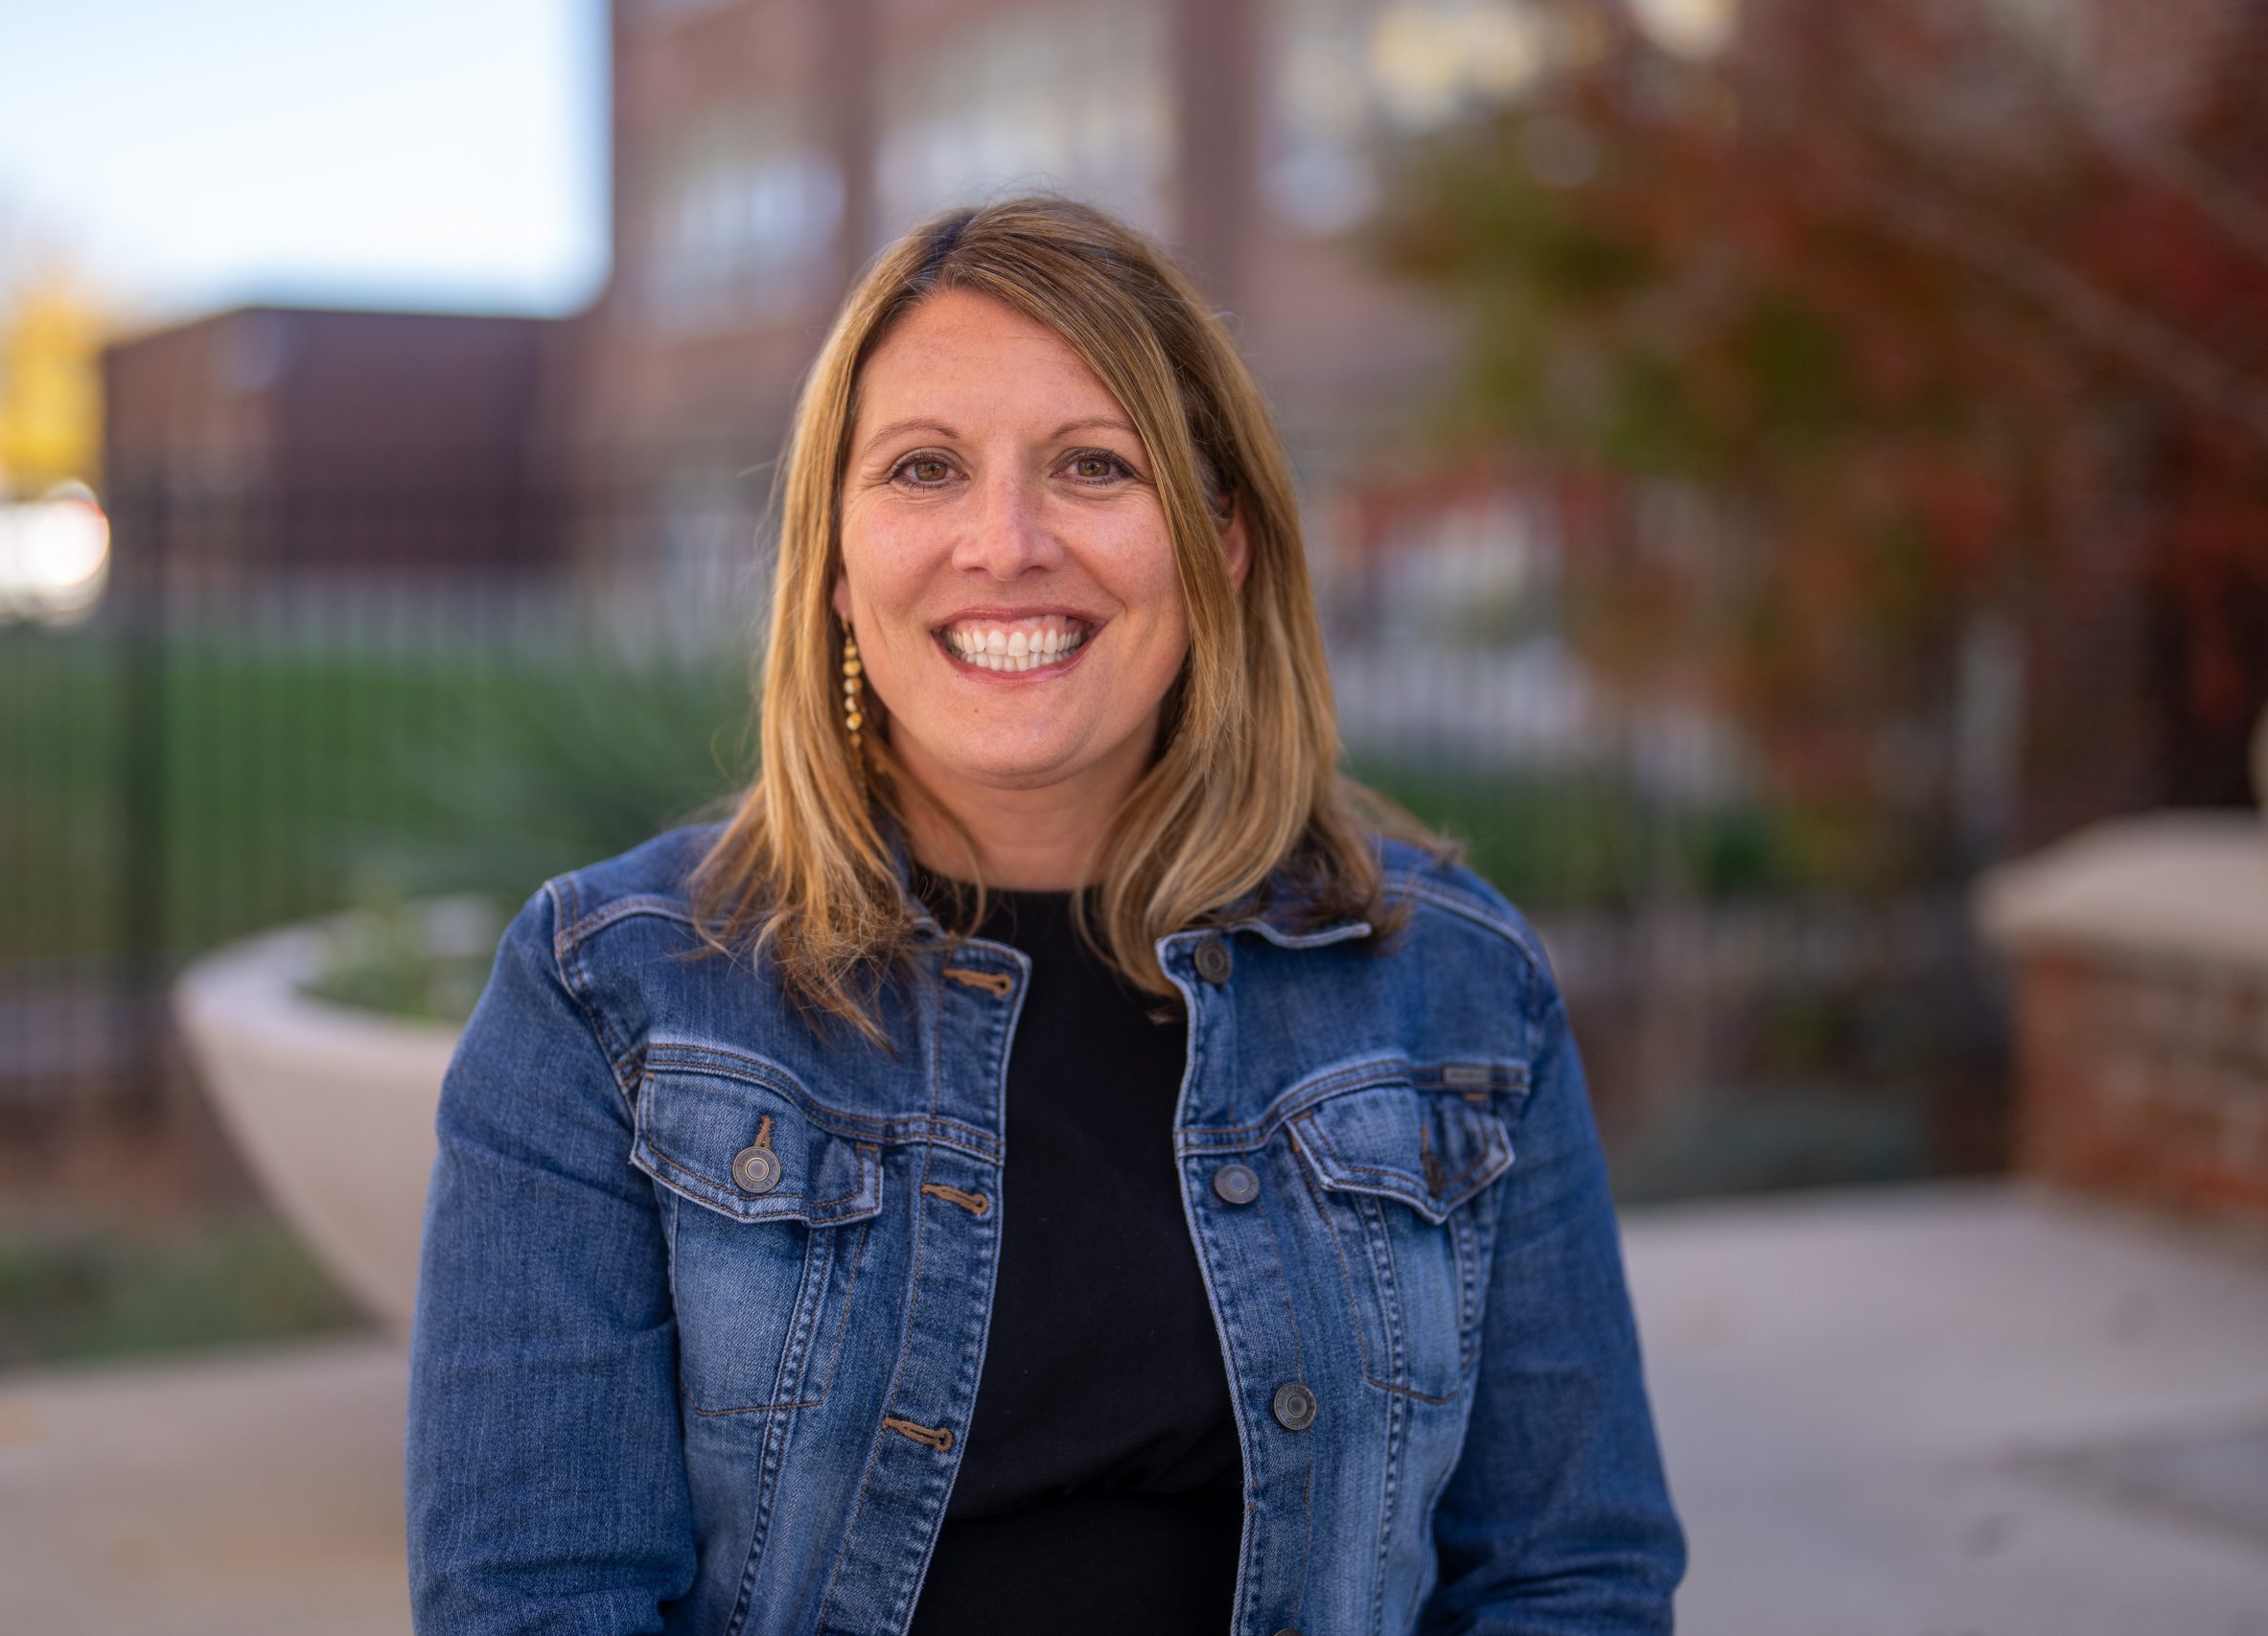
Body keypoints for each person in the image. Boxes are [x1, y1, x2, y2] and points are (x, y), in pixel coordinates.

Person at [405, 194, 1686, 1635]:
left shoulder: (1456, 988)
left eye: (1092, 465)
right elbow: (534, 1602)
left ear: (1224, 543)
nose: (1004, 543)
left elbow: (1568, 1576)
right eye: (925, 468)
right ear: (833, 564)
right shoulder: (614, 999)